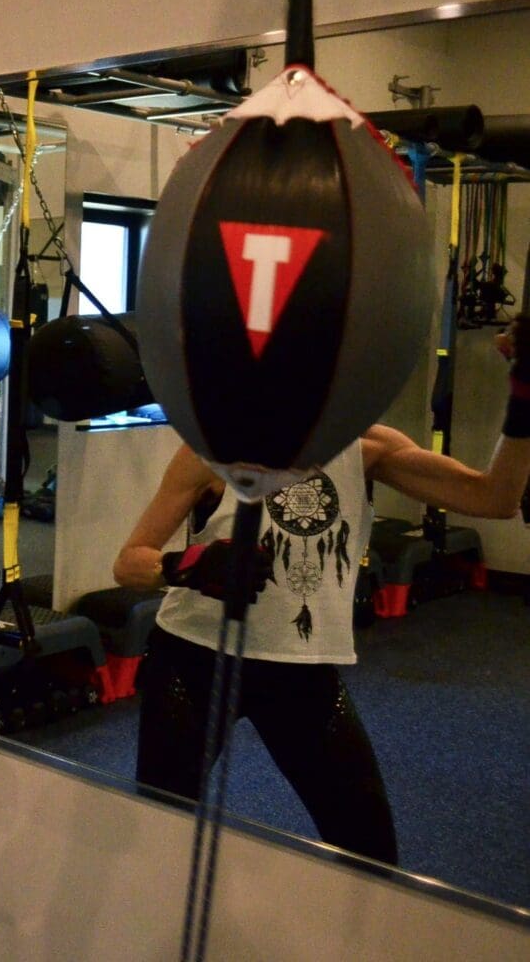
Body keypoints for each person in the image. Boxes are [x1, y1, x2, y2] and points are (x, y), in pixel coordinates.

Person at [113, 316, 530, 864]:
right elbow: (128, 563)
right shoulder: (213, 450)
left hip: (301, 671)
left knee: (370, 852)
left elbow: (495, 498)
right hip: (195, 662)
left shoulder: (367, 448)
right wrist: (188, 564)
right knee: (159, 829)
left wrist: (523, 396)